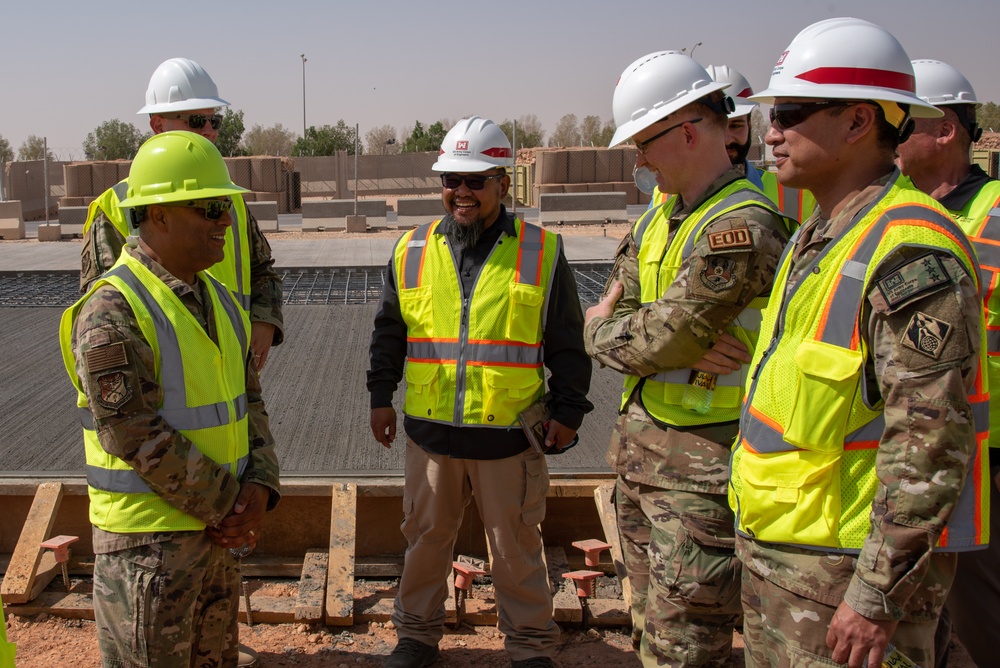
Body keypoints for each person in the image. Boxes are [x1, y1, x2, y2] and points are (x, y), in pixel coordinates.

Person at [729, 18, 990, 668]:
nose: (772, 130)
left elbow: (928, 444)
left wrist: (876, 595)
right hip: (788, 560)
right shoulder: (821, 232)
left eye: (792, 111)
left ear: (858, 122)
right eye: (771, 112)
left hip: (845, 578)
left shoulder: (907, 252)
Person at [584, 52, 791, 667]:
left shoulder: (739, 226)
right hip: (645, 459)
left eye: (644, 143)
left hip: (702, 472)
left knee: (688, 646)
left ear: (688, 132)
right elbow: (628, 307)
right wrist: (622, 325)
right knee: (654, 631)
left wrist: (601, 334)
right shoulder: (661, 220)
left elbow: (660, 337)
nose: (639, 161)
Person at [368, 116, 593, 668]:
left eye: (475, 181)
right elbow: (389, 330)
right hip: (430, 435)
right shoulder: (411, 249)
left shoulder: (541, 250)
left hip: (510, 436)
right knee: (425, 542)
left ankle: (530, 648)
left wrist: (569, 409)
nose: (460, 192)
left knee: (516, 550)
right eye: (451, 180)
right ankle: (416, 639)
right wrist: (380, 395)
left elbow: (566, 337)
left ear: (503, 183)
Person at [60, 131, 281, 668]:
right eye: (210, 208)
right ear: (157, 215)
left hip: (213, 539)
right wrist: (229, 502)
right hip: (148, 554)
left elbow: (250, 403)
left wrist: (261, 485)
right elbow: (131, 431)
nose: (225, 221)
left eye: (225, 207)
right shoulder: (113, 310)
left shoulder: (222, 302)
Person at [80, 57, 284, 370]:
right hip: (160, 378)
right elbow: (100, 314)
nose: (208, 131)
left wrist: (265, 321)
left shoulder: (232, 200)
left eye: (213, 121)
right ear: (157, 124)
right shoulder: (115, 206)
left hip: (230, 365)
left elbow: (261, 269)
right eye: (194, 121)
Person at [896, 58, 1000, 668]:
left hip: (986, 456)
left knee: (981, 615)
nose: (892, 138)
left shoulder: (992, 216)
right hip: (915, 453)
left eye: (905, 125)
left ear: (948, 130)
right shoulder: (893, 216)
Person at [642, 64, 815, 227]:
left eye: (736, 125)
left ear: (750, 125)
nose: (725, 139)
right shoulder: (664, 194)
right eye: (718, 128)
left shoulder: (795, 193)